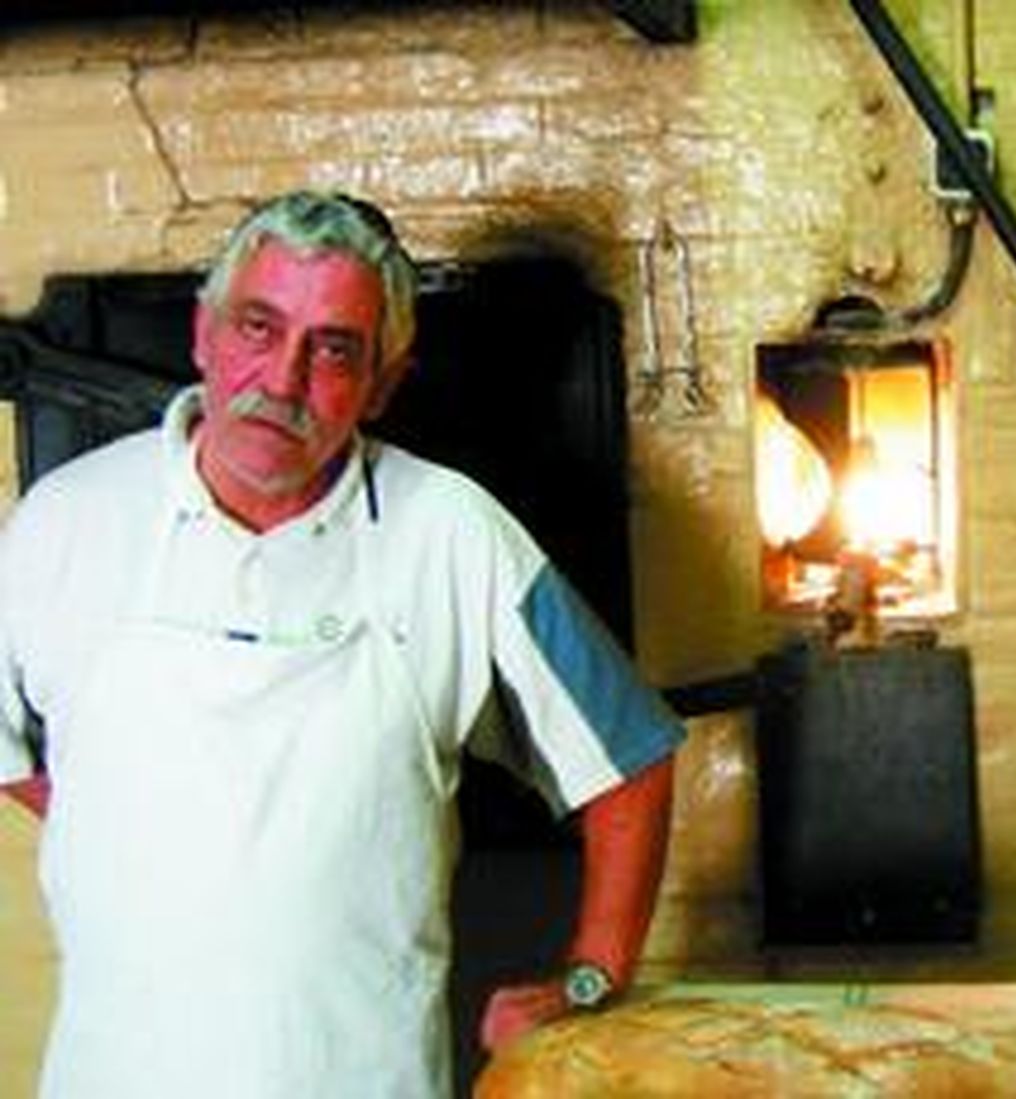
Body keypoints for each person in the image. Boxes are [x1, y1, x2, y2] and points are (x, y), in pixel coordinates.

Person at [0, 191, 685, 1097]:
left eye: (332, 349)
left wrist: (592, 975)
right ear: (203, 333)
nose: (280, 380)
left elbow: (629, 751)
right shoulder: (63, 521)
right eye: (258, 325)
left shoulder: (449, 533)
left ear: (383, 383)